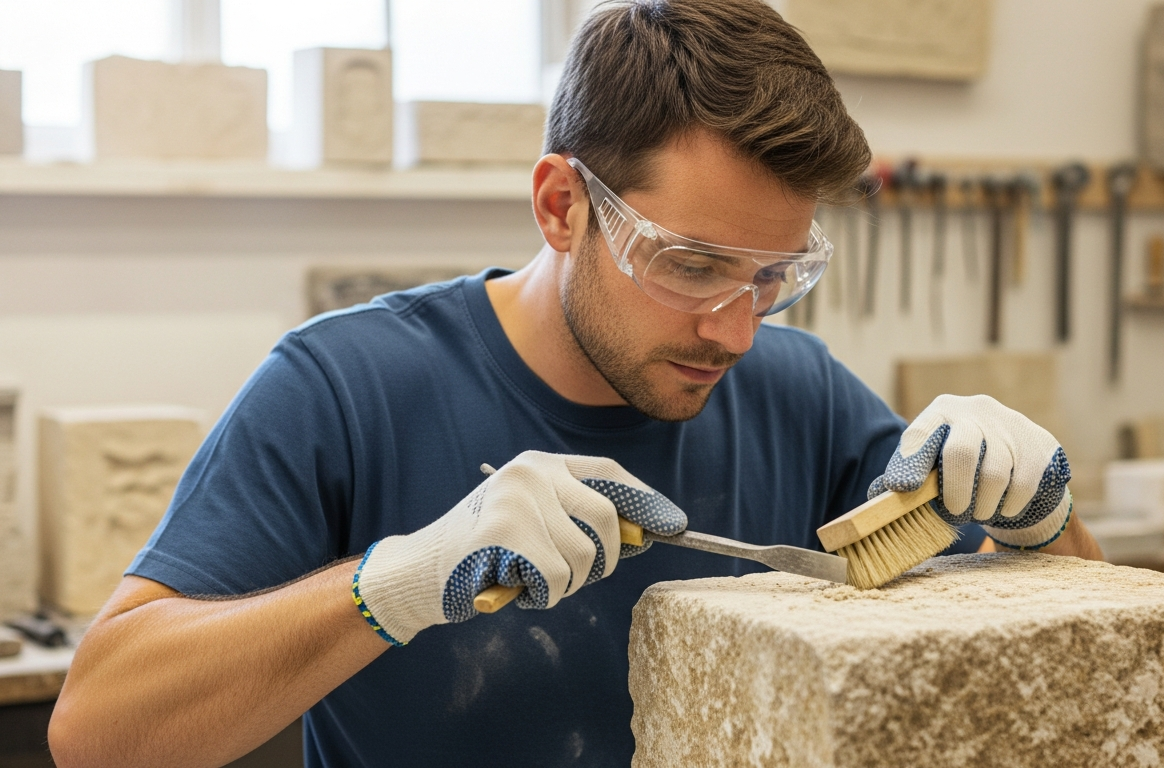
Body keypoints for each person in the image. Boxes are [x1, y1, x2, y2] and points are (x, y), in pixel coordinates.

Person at [48, 1, 1102, 766]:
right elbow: (99, 732)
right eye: (690, 265)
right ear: (561, 206)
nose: (734, 329)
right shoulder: (344, 385)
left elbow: (1078, 643)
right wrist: (394, 585)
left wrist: (1041, 522)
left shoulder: (800, 389)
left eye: (774, 277)